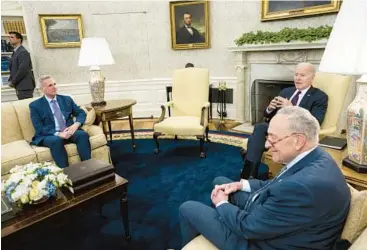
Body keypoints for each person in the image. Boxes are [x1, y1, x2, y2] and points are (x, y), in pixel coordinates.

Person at [179, 106, 351, 250]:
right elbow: (278, 183)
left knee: (188, 209)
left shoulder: (300, 187)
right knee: (221, 182)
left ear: (298, 141)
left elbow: (248, 228)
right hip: (281, 224)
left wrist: (222, 204)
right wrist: (241, 185)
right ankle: (221, 221)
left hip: (264, 243)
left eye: (273, 139)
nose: (267, 145)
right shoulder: (318, 157)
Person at [241, 62, 328, 179]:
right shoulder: (286, 91)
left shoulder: (319, 96)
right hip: (276, 128)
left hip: (295, 132)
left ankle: (249, 168)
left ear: (312, 78)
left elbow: (315, 123)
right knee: (261, 127)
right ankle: (249, 175)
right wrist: (269, 108)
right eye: (296, 74)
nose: (297, 78)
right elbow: (268, 115)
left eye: (302, 75)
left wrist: (291, 108)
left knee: (257, 135)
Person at [29, 75, 91, 168]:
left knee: (83, 135)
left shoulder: (66, 99)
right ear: (42, 89)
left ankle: (89, 167)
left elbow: (81, 113)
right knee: (56, 140)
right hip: (50, 135)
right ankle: (66, 173)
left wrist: (76, 125)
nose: (54, 87)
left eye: (55, 84)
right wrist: (58, 133)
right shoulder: (35, 105)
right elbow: (39, 127)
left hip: (69, 130)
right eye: (50, 85)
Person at [8, 31, 35, 100]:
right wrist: (10, 79)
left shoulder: (23, 52)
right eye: (9, 37)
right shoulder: (16, 52)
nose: (9, 39)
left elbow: (23, 69)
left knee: (26, 107)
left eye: (12, 37)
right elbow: (13, 68)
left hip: (25, 86)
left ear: (19, 39)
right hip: (20, 85)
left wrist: (13, 81)